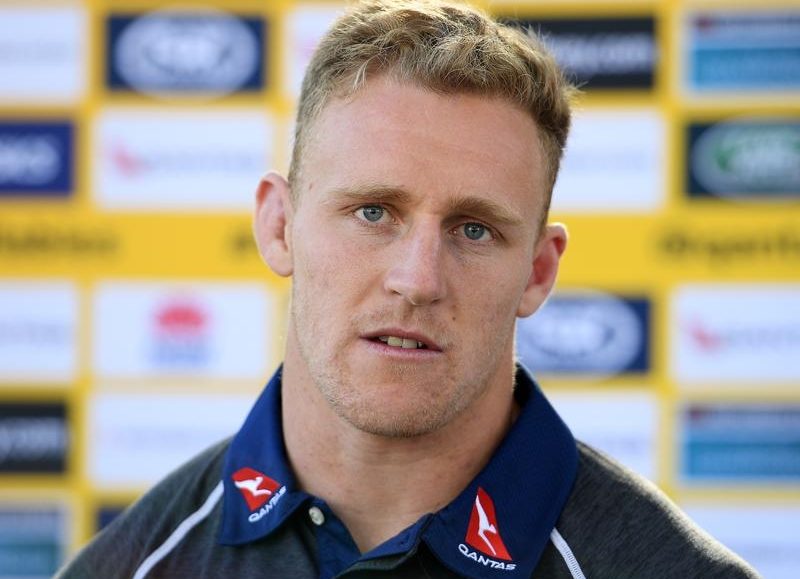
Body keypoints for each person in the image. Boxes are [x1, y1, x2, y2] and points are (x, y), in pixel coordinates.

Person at [58, 1, 760, 577]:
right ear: (279, 226)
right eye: (373, 212)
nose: (418, 280)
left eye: (475, 230)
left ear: (539, 272)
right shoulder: (130, 567)